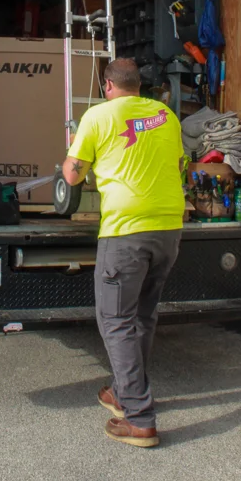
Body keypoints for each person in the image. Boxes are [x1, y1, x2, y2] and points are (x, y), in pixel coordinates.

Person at [62, 57, 185, 448]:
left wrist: (74, 163)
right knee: (142, 316)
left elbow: (73, 174)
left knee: (115, 320)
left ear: (107, 85)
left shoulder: (97, 116)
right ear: (139, 85)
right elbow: (177, 163)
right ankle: (121, 390)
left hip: (126, 231)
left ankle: (138, 417)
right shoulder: (166, 114)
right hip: (168, 227)